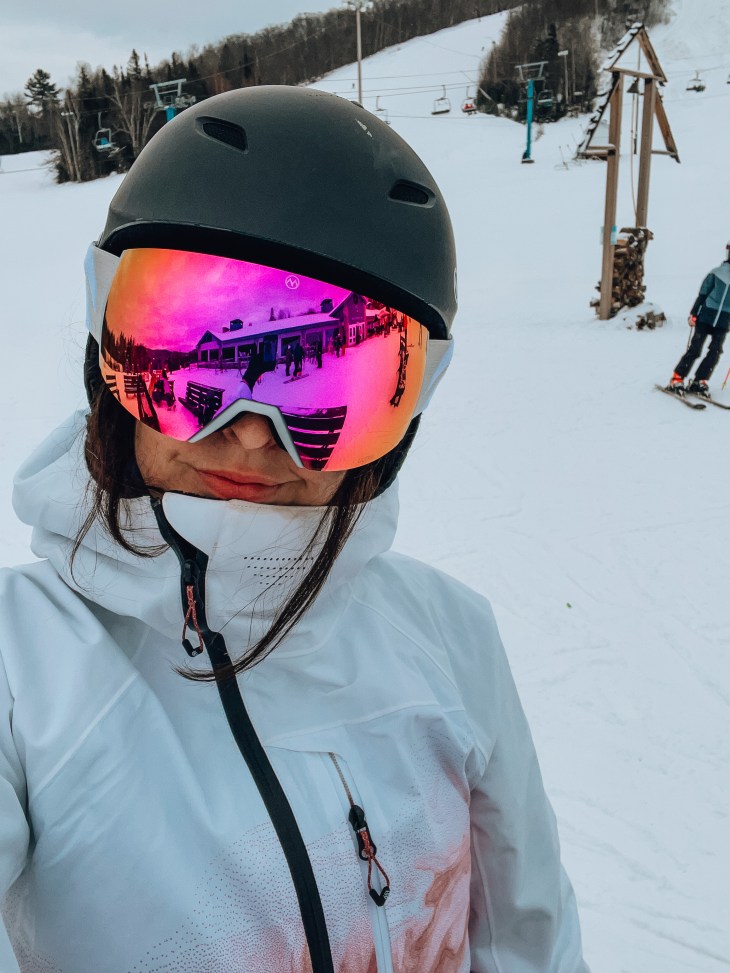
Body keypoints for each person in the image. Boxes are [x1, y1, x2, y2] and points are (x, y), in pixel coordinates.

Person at [0, 87, 590, 973]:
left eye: (326, 389)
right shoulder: (21, 668)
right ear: (108, 359)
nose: (249, 433)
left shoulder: (451, 637)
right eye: (197, 363)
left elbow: (531, 940)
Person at [667, 241, 730, 398]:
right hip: (705, 317)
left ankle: (700, 380)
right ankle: (677, 378)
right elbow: (703, 294)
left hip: (723, 320)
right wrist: (694, 313)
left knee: (715, 351)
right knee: (695, 349)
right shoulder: (716, 273)